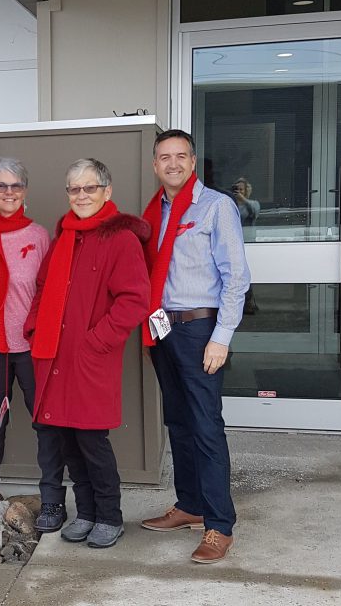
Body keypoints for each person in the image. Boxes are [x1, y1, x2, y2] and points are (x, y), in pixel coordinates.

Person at [24, 158, 151, 548]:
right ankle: (87, 513)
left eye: (89, 188)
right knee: (67, 441)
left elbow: (134, 300)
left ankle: (110, 516)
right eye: (74, 189)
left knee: (93, 443)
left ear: (106, 191)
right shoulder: (66, 237)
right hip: (54, 358)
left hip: (90, 359)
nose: (81, 195)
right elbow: (42, 287)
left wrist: (96, 341)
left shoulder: (121, 239)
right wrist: (33, 328)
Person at [141, 129, 250, 564]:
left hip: (199, 330)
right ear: (155, 165)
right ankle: (190, 505)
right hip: (163, 329)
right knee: (179, 423)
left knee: (206, 427)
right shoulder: (156, 211)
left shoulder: (216, 207)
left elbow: (236, 277)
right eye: (164, 157)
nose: (172, 164)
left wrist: (221, 338)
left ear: (193, 161)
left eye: (180, 156)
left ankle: (219, 525)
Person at [0, 157, 65, 530]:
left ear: (25, 190)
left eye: (16, 186)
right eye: (1, 186)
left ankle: (53, 498)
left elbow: (48, 291)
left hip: (30, 344)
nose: (9, 192)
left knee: (45, 421)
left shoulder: (39, 236)